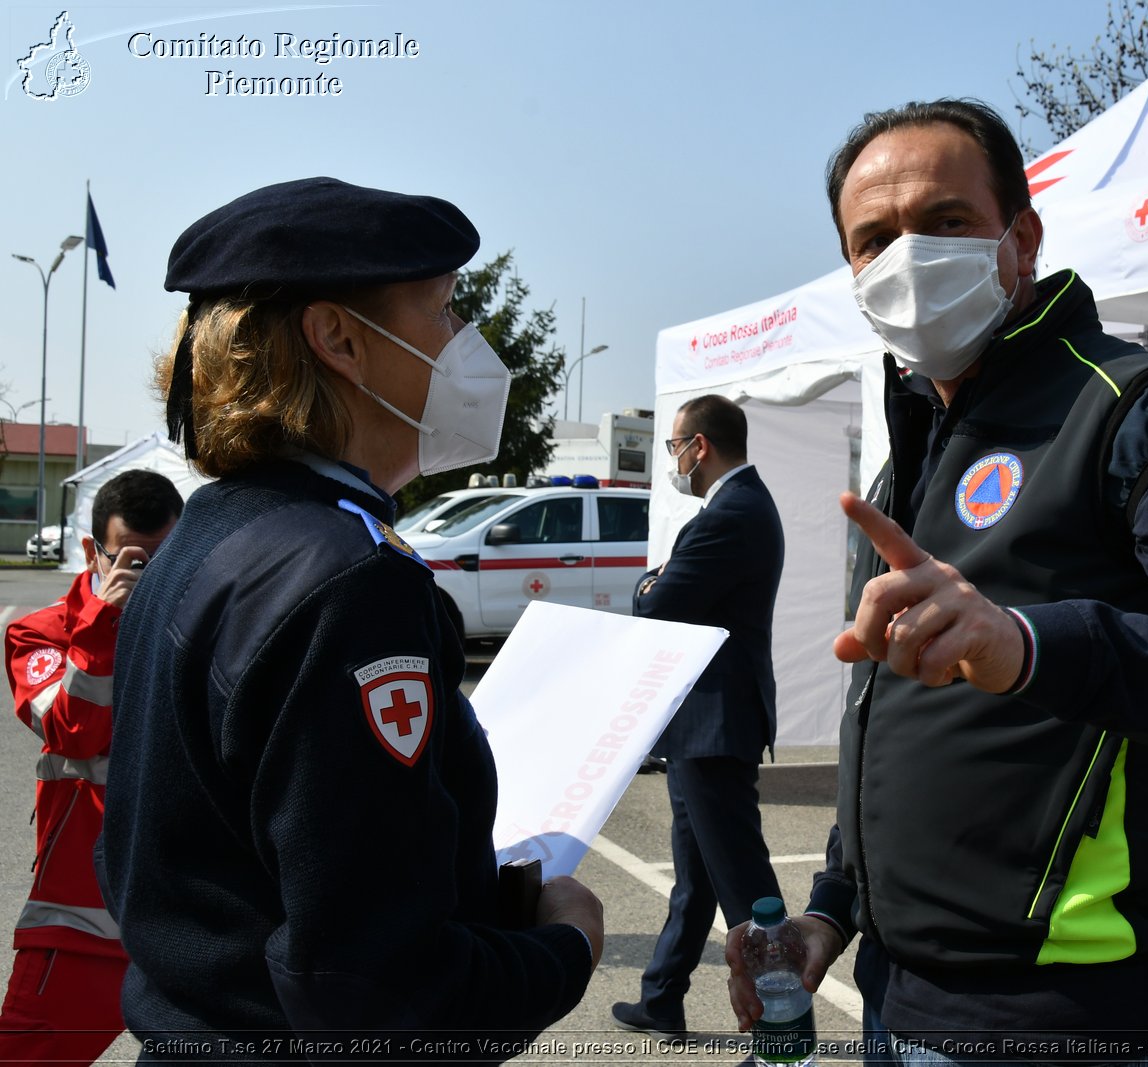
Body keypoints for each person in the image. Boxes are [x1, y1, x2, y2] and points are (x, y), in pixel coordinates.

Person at [725, 100, 1148, 1065]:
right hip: (895, 1000)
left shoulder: (1140, 406)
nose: (908, 259)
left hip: (1065, 1019)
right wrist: (831, 914)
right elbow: (884, 710)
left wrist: (1026, 644)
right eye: (874, 240)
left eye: (946, 223)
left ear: (1021, 239)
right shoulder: (909, 457)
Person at [96, 177, 603, 1058]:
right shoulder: (347, 580)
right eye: (446, 310)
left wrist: (469, 895)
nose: (464, 343)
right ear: (338, 338)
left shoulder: (210, 534)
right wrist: (564, 945)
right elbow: (376, 991)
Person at [613, 395, 785, 1038]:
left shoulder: (731, 512)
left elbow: (657, 606)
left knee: (746, 888)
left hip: (716, 727)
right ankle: (662, 997)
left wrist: (649, 585)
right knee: (697, 878)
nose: (673, 460)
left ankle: (784, 1035)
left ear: (701, 446)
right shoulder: (737, 507)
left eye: (674, 446)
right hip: (703, 725)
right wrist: (659, 582)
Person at [0, 469, 183, 1065]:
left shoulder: (196, 626)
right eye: (131, 558)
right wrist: (103, 626)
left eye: (165, 558)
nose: (148, 576)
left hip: (191, 926)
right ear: (92, 552)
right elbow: (74, 735)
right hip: (83, 926)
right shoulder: (39, 635)